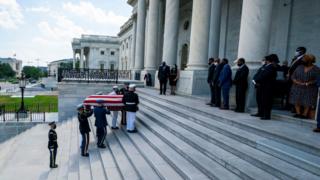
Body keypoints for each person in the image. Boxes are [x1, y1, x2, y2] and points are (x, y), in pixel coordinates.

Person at [289, 54, 320, 119]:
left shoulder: (316, 69)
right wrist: (296, 81)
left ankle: (304, 114)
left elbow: (317, 79)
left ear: (309, 61)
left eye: (304, 59)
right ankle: (298, 113)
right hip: (297, 87)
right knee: (296, 100)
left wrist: (309, 83)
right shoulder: (299, 67)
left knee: (308, 101)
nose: (302, 61)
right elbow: (293, 76)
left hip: (309, 88)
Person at [252, 54, 279, 120]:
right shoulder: (264, 66)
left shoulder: (271, 67)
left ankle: (266, 115)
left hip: (267, 87)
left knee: (266, 101)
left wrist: (257, 80)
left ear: (268, 60)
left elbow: (265, 76)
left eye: (264, 60)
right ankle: (260, 112)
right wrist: (255, 80)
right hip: (260, 86)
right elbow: (258, 74)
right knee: (260, 100)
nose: (263, 61)